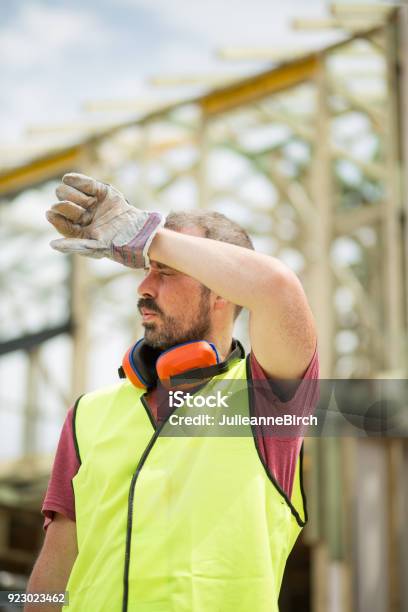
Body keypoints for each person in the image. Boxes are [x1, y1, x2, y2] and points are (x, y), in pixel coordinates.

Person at [26, 173, 319, 612]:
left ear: (223, 290)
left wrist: (146, 236)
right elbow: (56, 570)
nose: (144, 288)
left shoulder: (266, 400)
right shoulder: (87, 415)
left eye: (165, 272)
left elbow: (277, 289)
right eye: (146, 271)